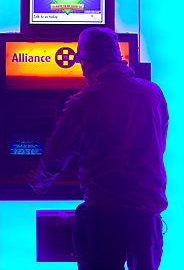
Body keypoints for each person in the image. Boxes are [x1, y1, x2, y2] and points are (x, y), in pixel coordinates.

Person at [29, 27, 169, 270]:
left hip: (103, 214)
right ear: (118, 58)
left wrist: (38, 183)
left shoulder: (85, 100)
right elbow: (159, 144)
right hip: (146, 215)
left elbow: (55, 155)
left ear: (87, 63)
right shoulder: (152, 93)